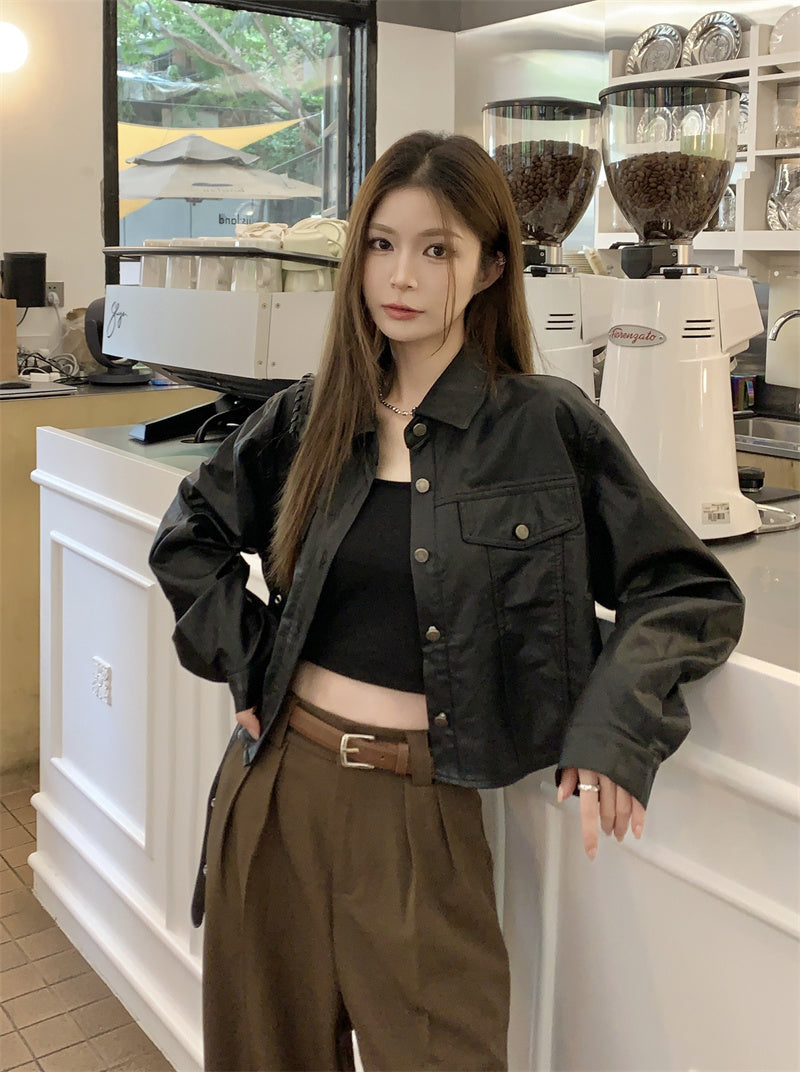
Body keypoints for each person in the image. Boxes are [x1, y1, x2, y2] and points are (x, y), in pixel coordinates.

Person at [149, 131, 745, 1072]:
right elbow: (188, 538)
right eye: (382, 244)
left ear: (490, 267)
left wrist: (615, 727)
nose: (402, 276)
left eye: (437, 249)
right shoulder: (310, 414)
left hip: (421, 815)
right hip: (275, 792)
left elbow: (685, 587)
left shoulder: (545, 425)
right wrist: (253, 661)